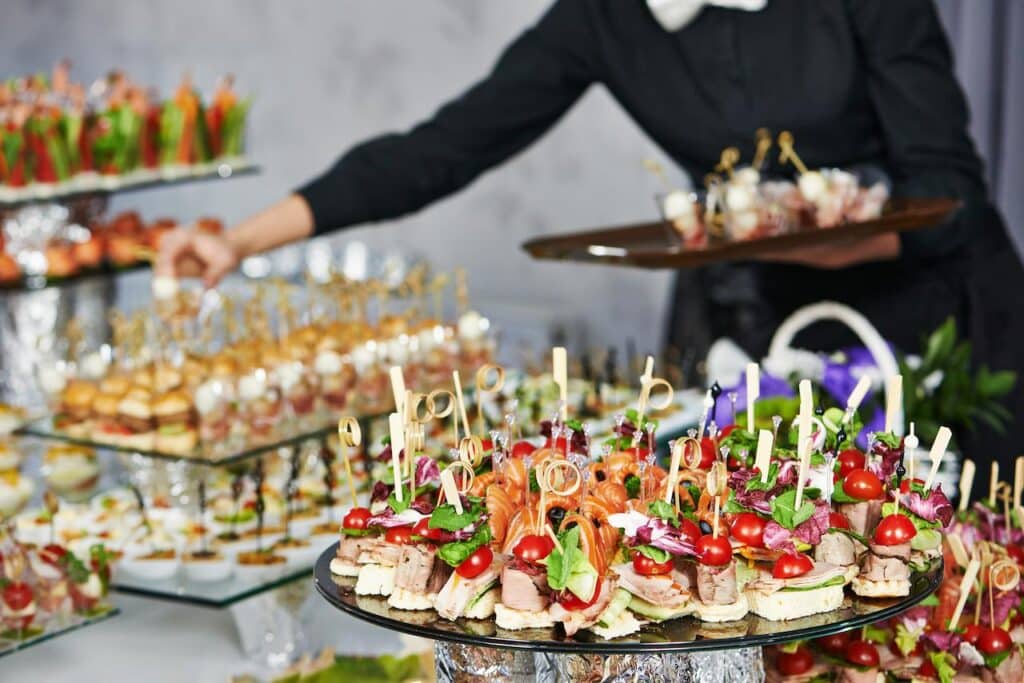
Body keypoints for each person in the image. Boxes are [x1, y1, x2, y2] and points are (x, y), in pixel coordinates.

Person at [158, 0, 1024, 477]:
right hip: (765, 321)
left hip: (935, 317)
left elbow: (949, 192)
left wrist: (782, 239)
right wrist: (241, 241)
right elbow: (440, 149)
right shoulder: (601, 18)